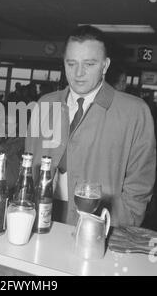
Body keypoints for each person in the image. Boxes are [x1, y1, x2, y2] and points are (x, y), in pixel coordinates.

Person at [25, 25, 156, 227]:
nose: (78, 73)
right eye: (71, 63)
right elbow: (29, 160)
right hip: (41, 218)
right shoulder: (45, 103)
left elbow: (140, 183)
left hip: (100, 225)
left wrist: (123, 222)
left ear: (105, 66)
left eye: (89, 64)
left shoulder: (135, 112)